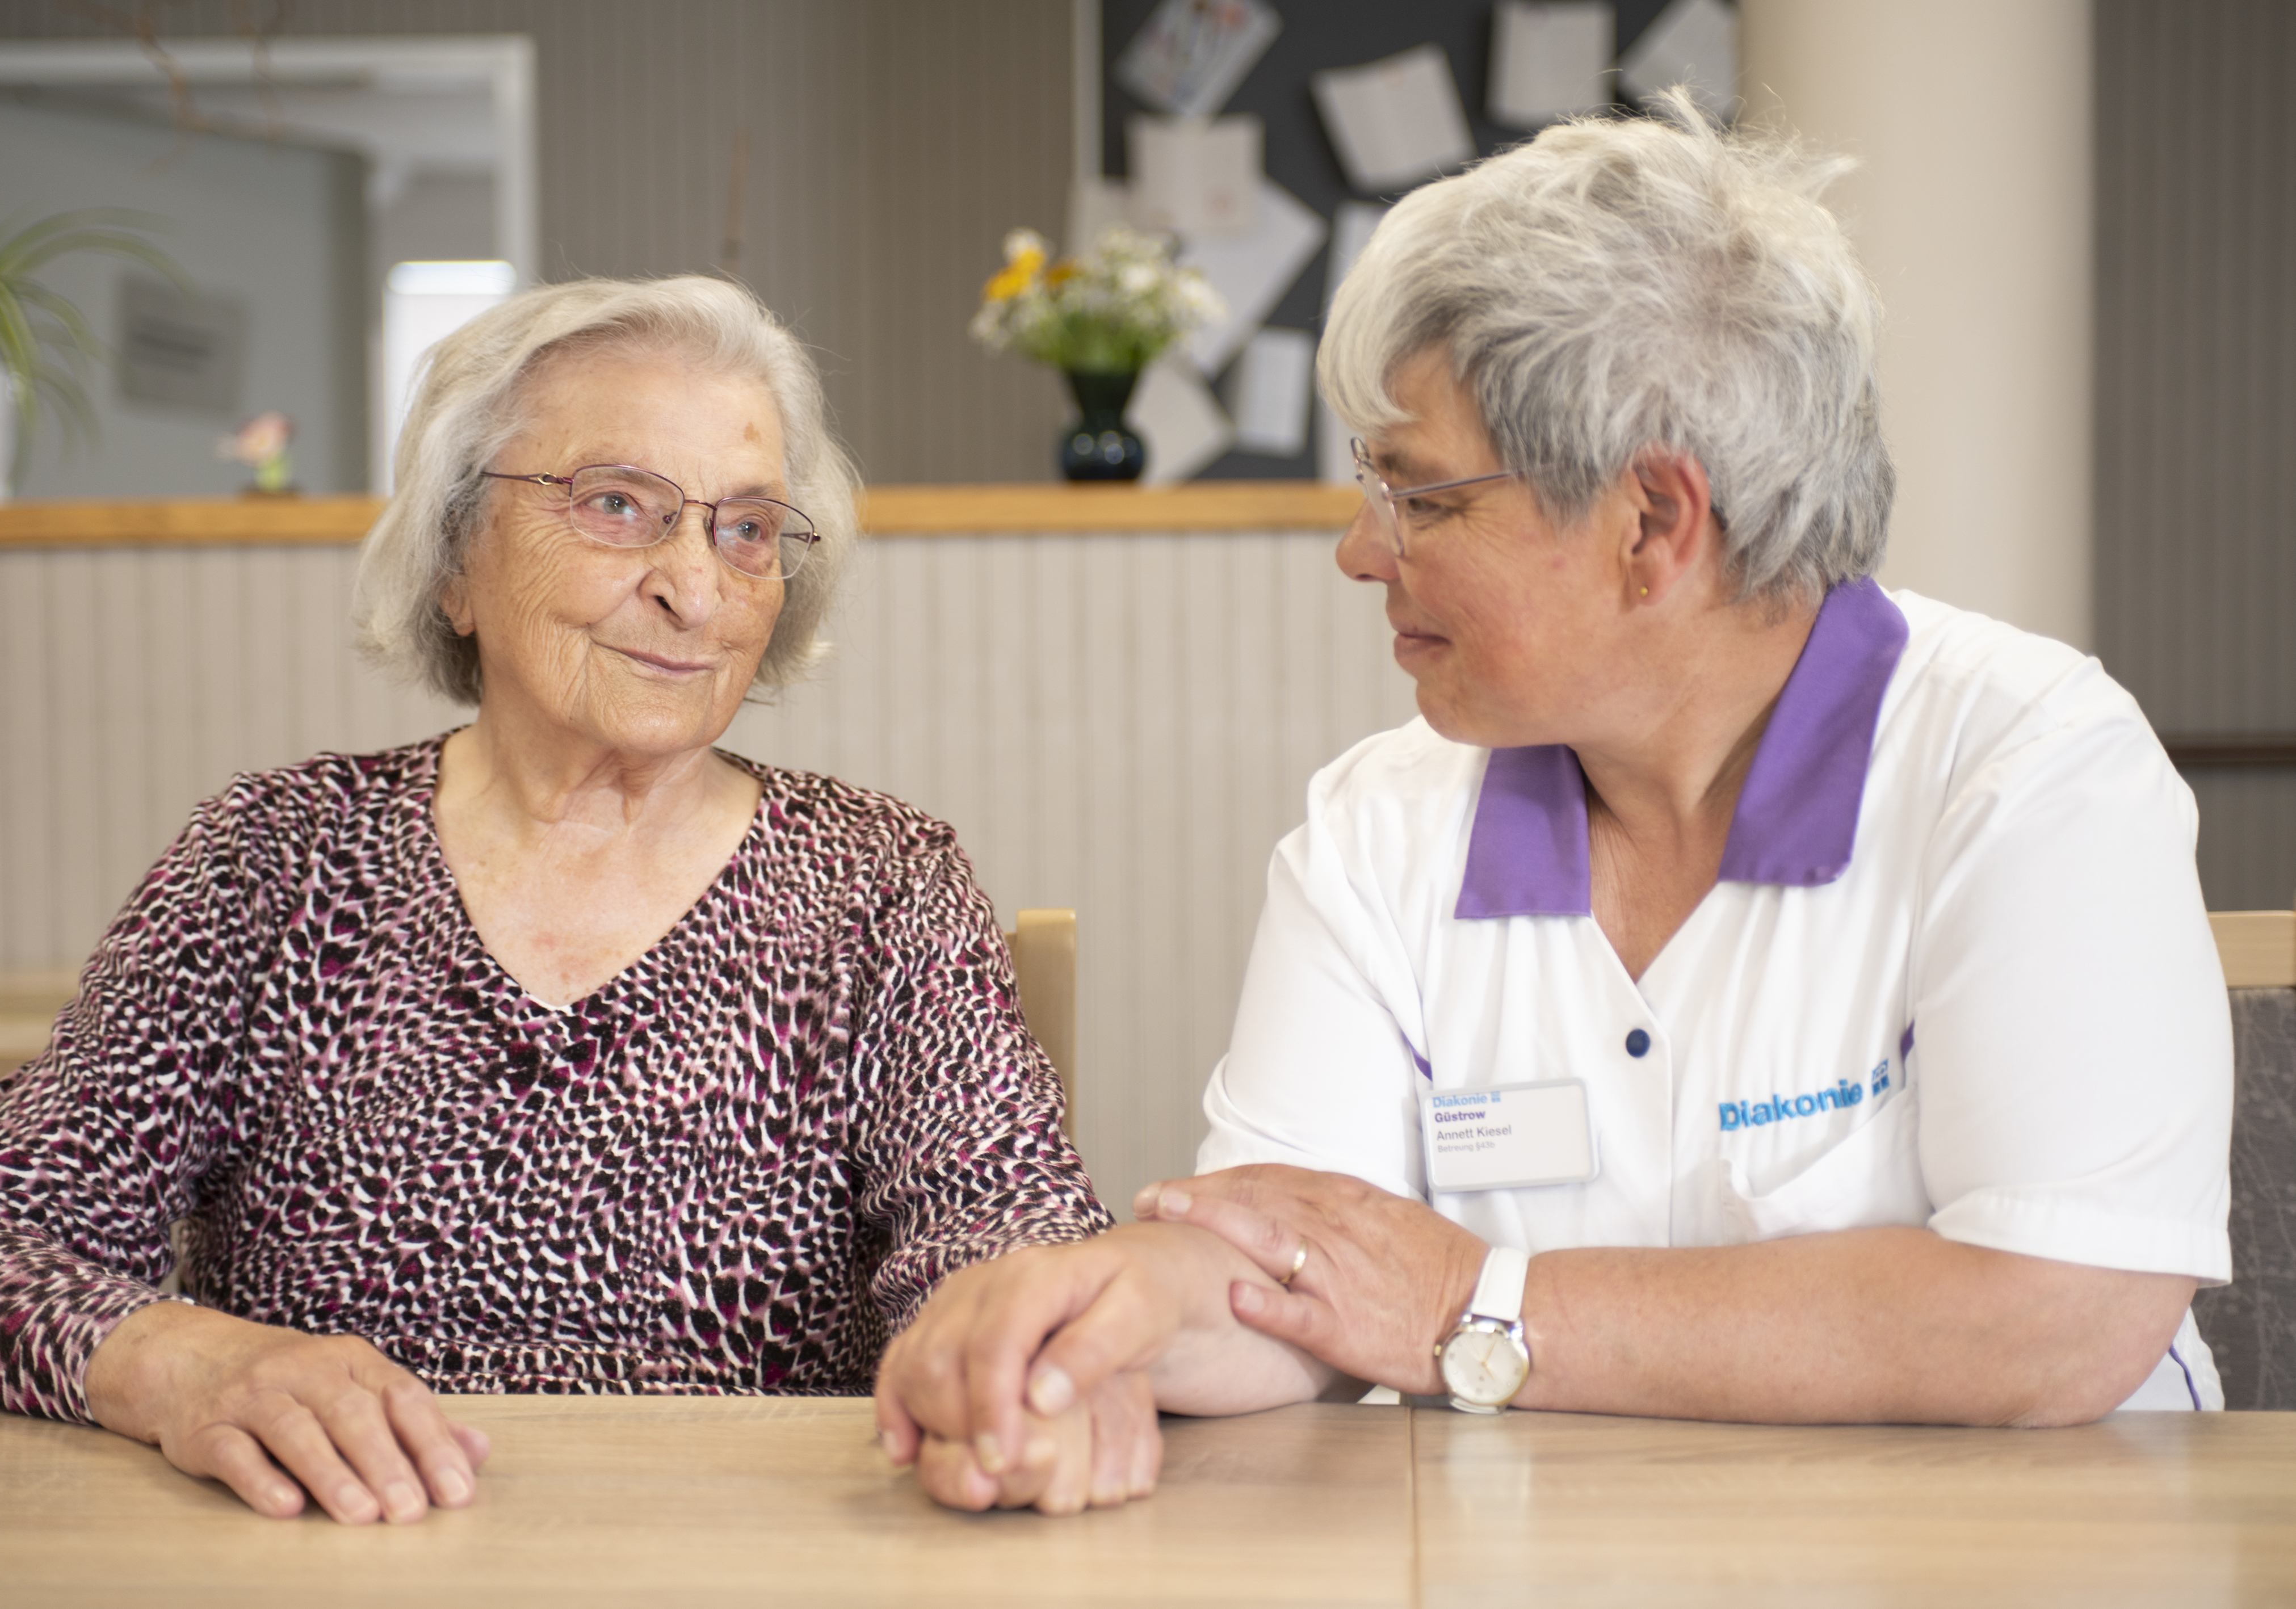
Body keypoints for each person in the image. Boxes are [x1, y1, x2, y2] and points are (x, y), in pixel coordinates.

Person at [874, 93, 2233, 1513]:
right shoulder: (1381, 821)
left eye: (1423, 497)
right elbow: (1296, 1266)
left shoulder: (2030, 768)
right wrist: (1094, 1312)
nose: (1357, 550)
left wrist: (1475, 1303)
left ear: (1653, 524)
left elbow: (2056, 1315)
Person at [0, 276, 1123, 1524]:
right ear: (454, 559)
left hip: (756, 1562)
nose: (695, 584)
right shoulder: (271, 858)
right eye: (619, 504)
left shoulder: (883, 883)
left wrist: (1005, 1367)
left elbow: (1012, 1241)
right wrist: (182, 1357)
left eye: (746, 529)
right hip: (336, 1559)